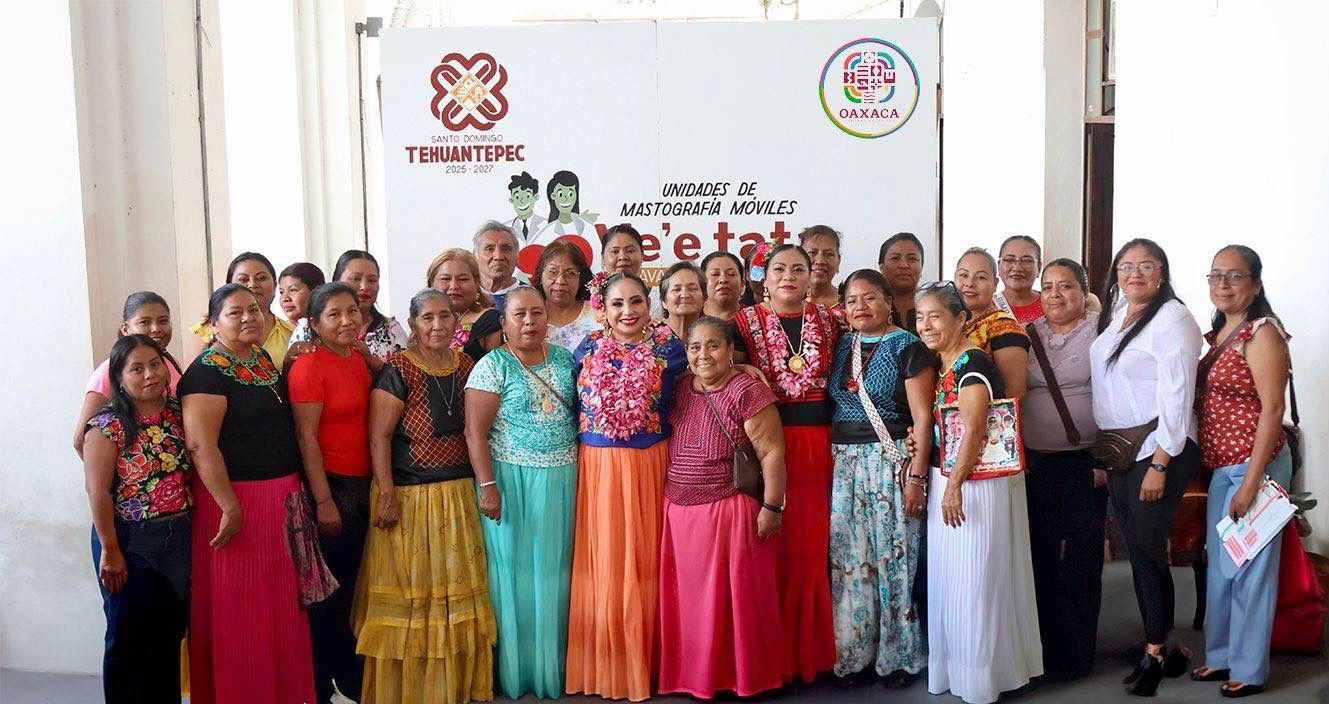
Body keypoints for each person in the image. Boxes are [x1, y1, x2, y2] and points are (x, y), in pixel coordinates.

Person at [355, 288, 496, 704]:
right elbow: (378, 437)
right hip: (411, 498)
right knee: (413, 596)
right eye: (427, 318)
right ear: (413, 325)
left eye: (445, 317)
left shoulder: (467, 364)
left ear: (456, 322)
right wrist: (385, 494)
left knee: (455, 593)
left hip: (457, 496)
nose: (438, 325)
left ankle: (454, 686)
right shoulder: (398, 369)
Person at [180, 284, 315, 703]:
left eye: (254, 309)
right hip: (236, 504)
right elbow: (202, 446)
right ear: (213, 323)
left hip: (279, 499)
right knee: (241, 613)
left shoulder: (259, 360)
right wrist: (229, 506)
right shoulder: (205, 372)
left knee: (279, 610)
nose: (248, 318)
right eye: (234, 312)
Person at [915, 282, 1042, 704]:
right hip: (953, 483)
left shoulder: (973, 363)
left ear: (959, 319)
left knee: (977, 581)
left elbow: (974, 430)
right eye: (920, 317)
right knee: (956, 581)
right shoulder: (947, 364)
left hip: (973, 487)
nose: (926, 325)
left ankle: (982, 679)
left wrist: (952, 488)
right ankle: (963, 671)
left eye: (935, 316)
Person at [563, 273, 687, 701]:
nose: (628, 312)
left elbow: (695, 392)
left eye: (636, 302)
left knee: (646, 557)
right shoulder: (586, 348)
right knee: (607, 559)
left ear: (650, 304)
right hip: (598, 466)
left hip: (651, 461)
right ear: (604, 307)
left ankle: (650, 662)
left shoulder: (671, 349)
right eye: (618, 304)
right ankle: (609, 663)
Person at [1090, 238, 1203, 696]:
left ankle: (1157, 651)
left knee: (1148, 551)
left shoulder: (1173, 318)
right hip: (1121, 451)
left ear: (1162, 273)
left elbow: (1177, 394)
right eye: (1126, 266)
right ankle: (1166, 646)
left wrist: (1160, 461)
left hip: (1159, 448)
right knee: (1138, 550)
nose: (1135, 274)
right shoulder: (1118, 316)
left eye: (1147, 266)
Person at [657, 316, 787, 699]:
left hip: (727, 511)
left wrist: (772, 507)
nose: (703, 355)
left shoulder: (746, 389)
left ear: (731, 351)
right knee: (693, 605)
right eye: (695, 347)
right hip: (680, 513)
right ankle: (696, 677)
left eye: (713, 345)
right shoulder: (681, 386)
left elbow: (772, 451)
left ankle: (742, 678)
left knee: (734, 602)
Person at [730, 244, 838, 683]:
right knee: (767, 547)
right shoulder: (744, 322)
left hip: (817, 443)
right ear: (764, 277)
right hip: (766, 443)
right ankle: (768, 656)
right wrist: (742, 369)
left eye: (799, 268)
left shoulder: (833, 322)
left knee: (809, 548)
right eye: (779, 269)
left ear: (813, 276)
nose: (789, 276)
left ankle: (807, 656)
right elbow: (715, 365)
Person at [464, 286, 579, 699]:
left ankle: (556, 670)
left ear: (548, 317)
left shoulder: (566, 360)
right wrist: (488, 486)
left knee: (556, 574)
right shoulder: (492, 367)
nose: (529, 322)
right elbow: (474, 433)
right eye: (519, 315)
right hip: (509, 483)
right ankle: (516, 673)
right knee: (513, 575)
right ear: (504, 322)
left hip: (563, 478)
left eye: (536, 313)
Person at [1190, 245, 1293, 698]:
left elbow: (1272, 409)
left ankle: (1249, 669)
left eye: (1234, 276)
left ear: (1256, 283)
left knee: (1251, 569)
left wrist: (1252, 483)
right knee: (1224, 567)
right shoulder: (1221, 333)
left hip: (1256, 467)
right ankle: (1220, 656)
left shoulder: (1261, 333)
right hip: (1223, 468)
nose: (1223, 285)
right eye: (1215, 276)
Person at [826, 270, 936, 686]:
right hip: (844, 463)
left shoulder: (909, 346)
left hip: (890, 461)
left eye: (870, 298)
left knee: (895, 559)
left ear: (889, 301)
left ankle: (900, 656)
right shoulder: (842, 345)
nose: (860, 307)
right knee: (848, 560)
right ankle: (853, 655)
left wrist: (917, 478)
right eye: (852, 300)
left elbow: (923, 418)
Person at [83, 334, 191, 704]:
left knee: (168, 633)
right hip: (130, 542)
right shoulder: (107, 425)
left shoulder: (179, 413)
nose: (149, 374)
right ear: (119, 378)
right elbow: (98, 492)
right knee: (127, 639)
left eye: (155, 364)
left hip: (178, 539)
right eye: (137, 368)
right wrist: (110, 549)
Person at [287, 283, 373, 704]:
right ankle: (320, 682)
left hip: (363, 487)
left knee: (353, 588)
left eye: (352, 312)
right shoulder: (308, 366)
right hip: (332, 489)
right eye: (334, 314)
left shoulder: (358, 357)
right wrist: (323, 501)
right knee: (328, 595)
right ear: (315, 324)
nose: (346, 320)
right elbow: (306, 439)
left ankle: (348, 674)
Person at [1022, 259, 1106, 681]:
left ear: (1084, 292)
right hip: (1035, 465)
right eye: (1048, 286)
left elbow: (1119, 397)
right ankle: (1044, 651)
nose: (1056, 294)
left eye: (1067, 286)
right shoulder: (1027, 333)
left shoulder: (1102, 334)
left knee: (1081, 562)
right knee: (1039, 559)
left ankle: (1076, 657)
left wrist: (1106, 459)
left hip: (1085, 465)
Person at [74, 291, 183, 457]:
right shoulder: (109, 370)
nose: (156, 329)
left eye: (163, 321)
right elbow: (81, 439)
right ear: (126, 329)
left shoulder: (172, 362)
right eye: (145, 322)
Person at [186, 253, 295, 365]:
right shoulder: (208, 330)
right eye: (243, 279)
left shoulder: (292, 333)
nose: (253, 285)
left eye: (261, 278)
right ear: (229, 286)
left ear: (275, 285)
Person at [955, 247, 1030, 399]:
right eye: (963, 275)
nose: (969, 283)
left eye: (981, 277)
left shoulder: (1005, 327)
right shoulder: (952, 323)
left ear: (995, 283)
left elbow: (1014, 392)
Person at [332, 250, 408, 369]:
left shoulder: (392, 330)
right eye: (356, 279)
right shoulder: (312, 327)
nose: (364, 287)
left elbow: (407, 379)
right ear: (336, 282)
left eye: (372, 280)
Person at [427, 248, 502, 361]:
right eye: (445, 279)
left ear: (477, 283)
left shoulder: (490, 320)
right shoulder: (421, 320)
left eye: (463, 279)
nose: (454, 286)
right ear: (431, 284)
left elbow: (498, 372)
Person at [533, 240, 598, 351]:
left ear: (581, 279)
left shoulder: (598, 315)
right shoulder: (530, 316)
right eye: (553, 272)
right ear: (540, 275)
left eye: (570, 273)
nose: (560, 281)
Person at [530, 170, 601, 271]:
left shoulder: (587, 227)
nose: (566, 199)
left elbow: (600, 260)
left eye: (571, 194)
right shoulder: (546, 232)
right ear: (553, 196)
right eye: (560, 194)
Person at [600, 224, 664, 319]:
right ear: (603, 258)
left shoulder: (660, 302)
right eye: (615, 251)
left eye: (630, 251)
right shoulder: (589, 302)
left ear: (642, 255)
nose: (623, 257)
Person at [878, 232, 925, 331]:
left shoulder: (938, 306)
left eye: (912, 259)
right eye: (895, 258)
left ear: (921, 267)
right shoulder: (868, 307)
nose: (904, 265)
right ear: (881, 267)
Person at [474, 220, 526, 306]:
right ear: (475, 256)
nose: (498, 256)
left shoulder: (532, 297)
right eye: (489, 249)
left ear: (517, 255)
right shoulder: (464, 296)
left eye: (506, 249)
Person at [993, 236, 1044, 323]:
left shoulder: (1051, 304)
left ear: (1039, 267)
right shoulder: (987, 307)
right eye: (1009, 260)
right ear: (998, 265)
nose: (1017, 268)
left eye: (1026, 261)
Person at [279, 262, 327, 344]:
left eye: (293, 290)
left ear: (315, 291)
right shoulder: (277, 331)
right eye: (281, 292)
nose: (285, 298)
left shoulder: (332, 328)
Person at [658, 261, 706, 341]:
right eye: (677, 289)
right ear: (664, 301)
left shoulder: (715, 333)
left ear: (704, 298)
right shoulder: (648, 335)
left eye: (692, 289)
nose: (685, 295)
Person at [800, 225, 844, 309]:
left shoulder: (849, 303)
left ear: (838, 261)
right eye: (812, 253)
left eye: (829, 254)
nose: (820, 261)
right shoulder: (786, 301)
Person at [701, 251, 746, 321]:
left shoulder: (755, 318)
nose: (723, 279)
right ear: (702, 283)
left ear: (742, 283)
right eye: (715, 274)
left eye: (731, 274)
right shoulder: (691, 317)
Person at [506, 171, 546, 247]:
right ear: (511, 200)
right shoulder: (505, 229)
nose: (522, 201)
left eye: (527, 196)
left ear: (536, 197)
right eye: (517, 197)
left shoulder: (546, 225)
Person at [741, 242, 771, 307]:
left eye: (776, 269)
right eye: (758, 270)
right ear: (747, 275)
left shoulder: (795, 308)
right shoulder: (738, 312)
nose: (764, 278)